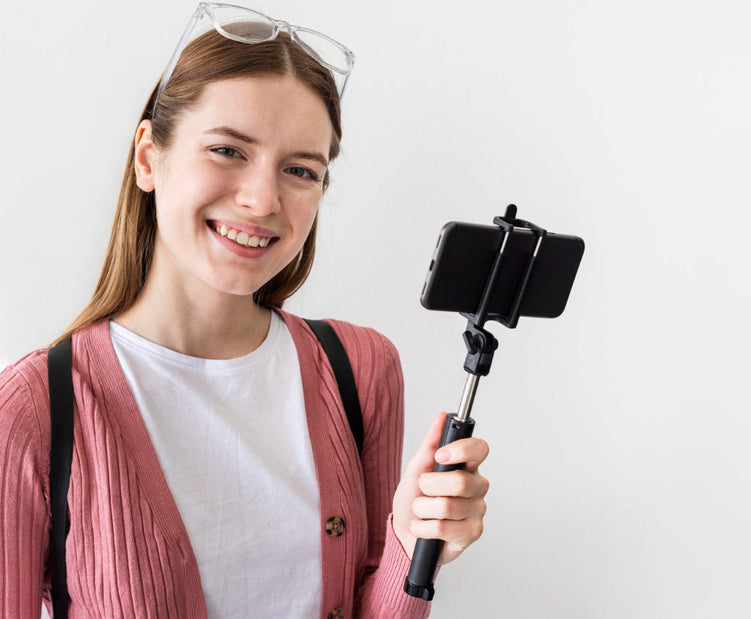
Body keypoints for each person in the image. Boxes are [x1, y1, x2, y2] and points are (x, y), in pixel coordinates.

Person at [0, 3, 489, 617]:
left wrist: (411, 545)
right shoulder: (30, 411)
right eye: (229, 151)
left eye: (301, 170)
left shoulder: (360, 368)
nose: (262, 200)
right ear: (149, 157)